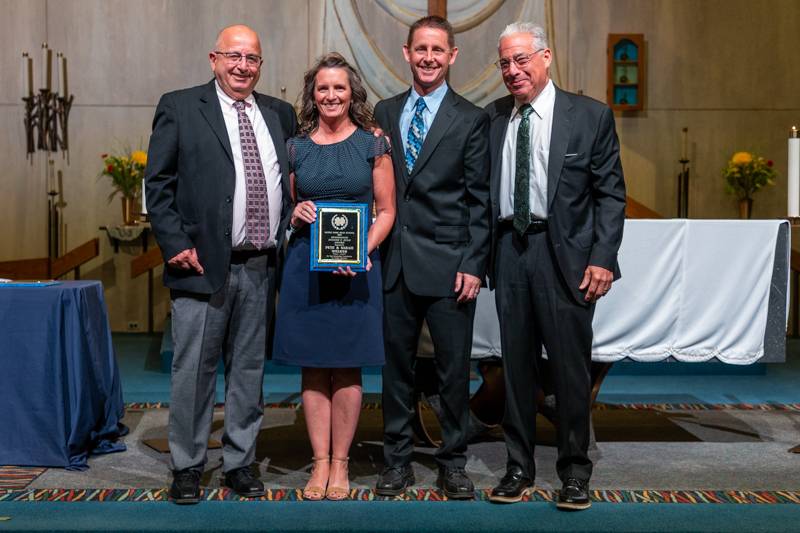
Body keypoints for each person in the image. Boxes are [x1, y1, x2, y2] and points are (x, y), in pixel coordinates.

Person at [145, 24, 297, 504]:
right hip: (200, 264)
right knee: (193, 371)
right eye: (233, 56)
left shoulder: (280, 113)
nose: (242, 66)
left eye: (251, 58)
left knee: (249, 371)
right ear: (214, 58)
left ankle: (240, 463)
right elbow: (159, 183)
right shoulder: (181, 106)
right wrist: (172, 243)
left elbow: (292, 180)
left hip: (260, 265)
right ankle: (188, 466)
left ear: (260, 65)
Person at [484, 22, 626, 509]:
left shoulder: (589, 116)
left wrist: (603, 258)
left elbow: (610, 195)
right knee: (515, 369)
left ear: (546, 57)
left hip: (564, 257)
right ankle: (518, 467)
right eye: (504, 62)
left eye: (521, 59)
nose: (512, 70)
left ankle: (574, 472)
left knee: (569, 370)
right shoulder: (495, 117)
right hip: (508, 250)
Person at [373, 16, 490, 499]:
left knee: (453, 371)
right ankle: (396, 461)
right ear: (406, 52)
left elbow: (481, 200)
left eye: (437, 50)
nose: (428, 58)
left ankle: (453, 462)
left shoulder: (471, 118)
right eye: (420, 49)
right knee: (394, 368)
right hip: (395, 260)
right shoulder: (384, 110)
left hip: (449, 264)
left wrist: (472, 262)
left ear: (452, 56)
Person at [271, 53, 396, 501]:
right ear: (312, 95)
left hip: (358, 266)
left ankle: (341, 464)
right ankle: (318, 464)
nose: (330, 95)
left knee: (346, 366)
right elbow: (285, 208)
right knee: (313, 367)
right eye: (322, 88)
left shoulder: (372, 144)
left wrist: (364, 248)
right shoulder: (295, 147)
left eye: (339, 88)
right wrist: (295, 212)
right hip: (306, 267)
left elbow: (387, 211)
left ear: (352, 94)